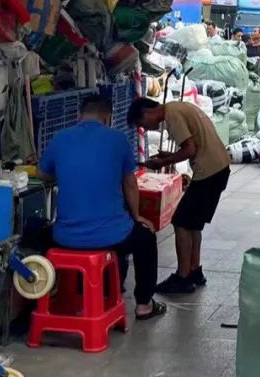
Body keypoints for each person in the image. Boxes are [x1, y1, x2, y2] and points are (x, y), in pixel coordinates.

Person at [37, 95, 166, 321]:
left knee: (33, 232)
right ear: (108, 118)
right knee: (145, 237)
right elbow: (130, 184)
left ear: (79, 115)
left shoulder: (60, 138)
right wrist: (137, 216)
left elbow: (43, 173)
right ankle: (144, 305)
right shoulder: (118, 140)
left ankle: (54, 297)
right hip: (112, 236)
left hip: (65, 237)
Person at [128, 97, 232, 294]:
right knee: (193, 223)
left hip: (209, 170)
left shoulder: (171, 114)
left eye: (143, 125)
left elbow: (189, 149)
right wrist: (168, 156)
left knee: (181, 221)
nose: (147, 129)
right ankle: (194, 270)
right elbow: (192, 146)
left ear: (148, 112)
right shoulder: (178, 107)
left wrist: (161, 163)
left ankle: (182, 276)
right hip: (218, 166)